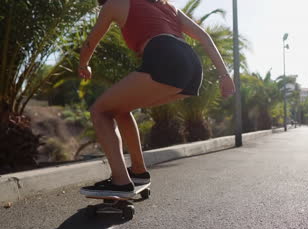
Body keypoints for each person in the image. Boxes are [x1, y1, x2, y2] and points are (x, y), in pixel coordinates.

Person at [79, 0, 235, 198]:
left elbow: (90, 42)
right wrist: (224, 75)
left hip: (165, 56)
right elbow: (204, 37)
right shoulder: (167, 6)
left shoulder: (116, 3)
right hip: (192, 67)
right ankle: (138, 171)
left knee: (99, 111)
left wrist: (83, 64)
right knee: (119, 108)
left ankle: (120, 181)